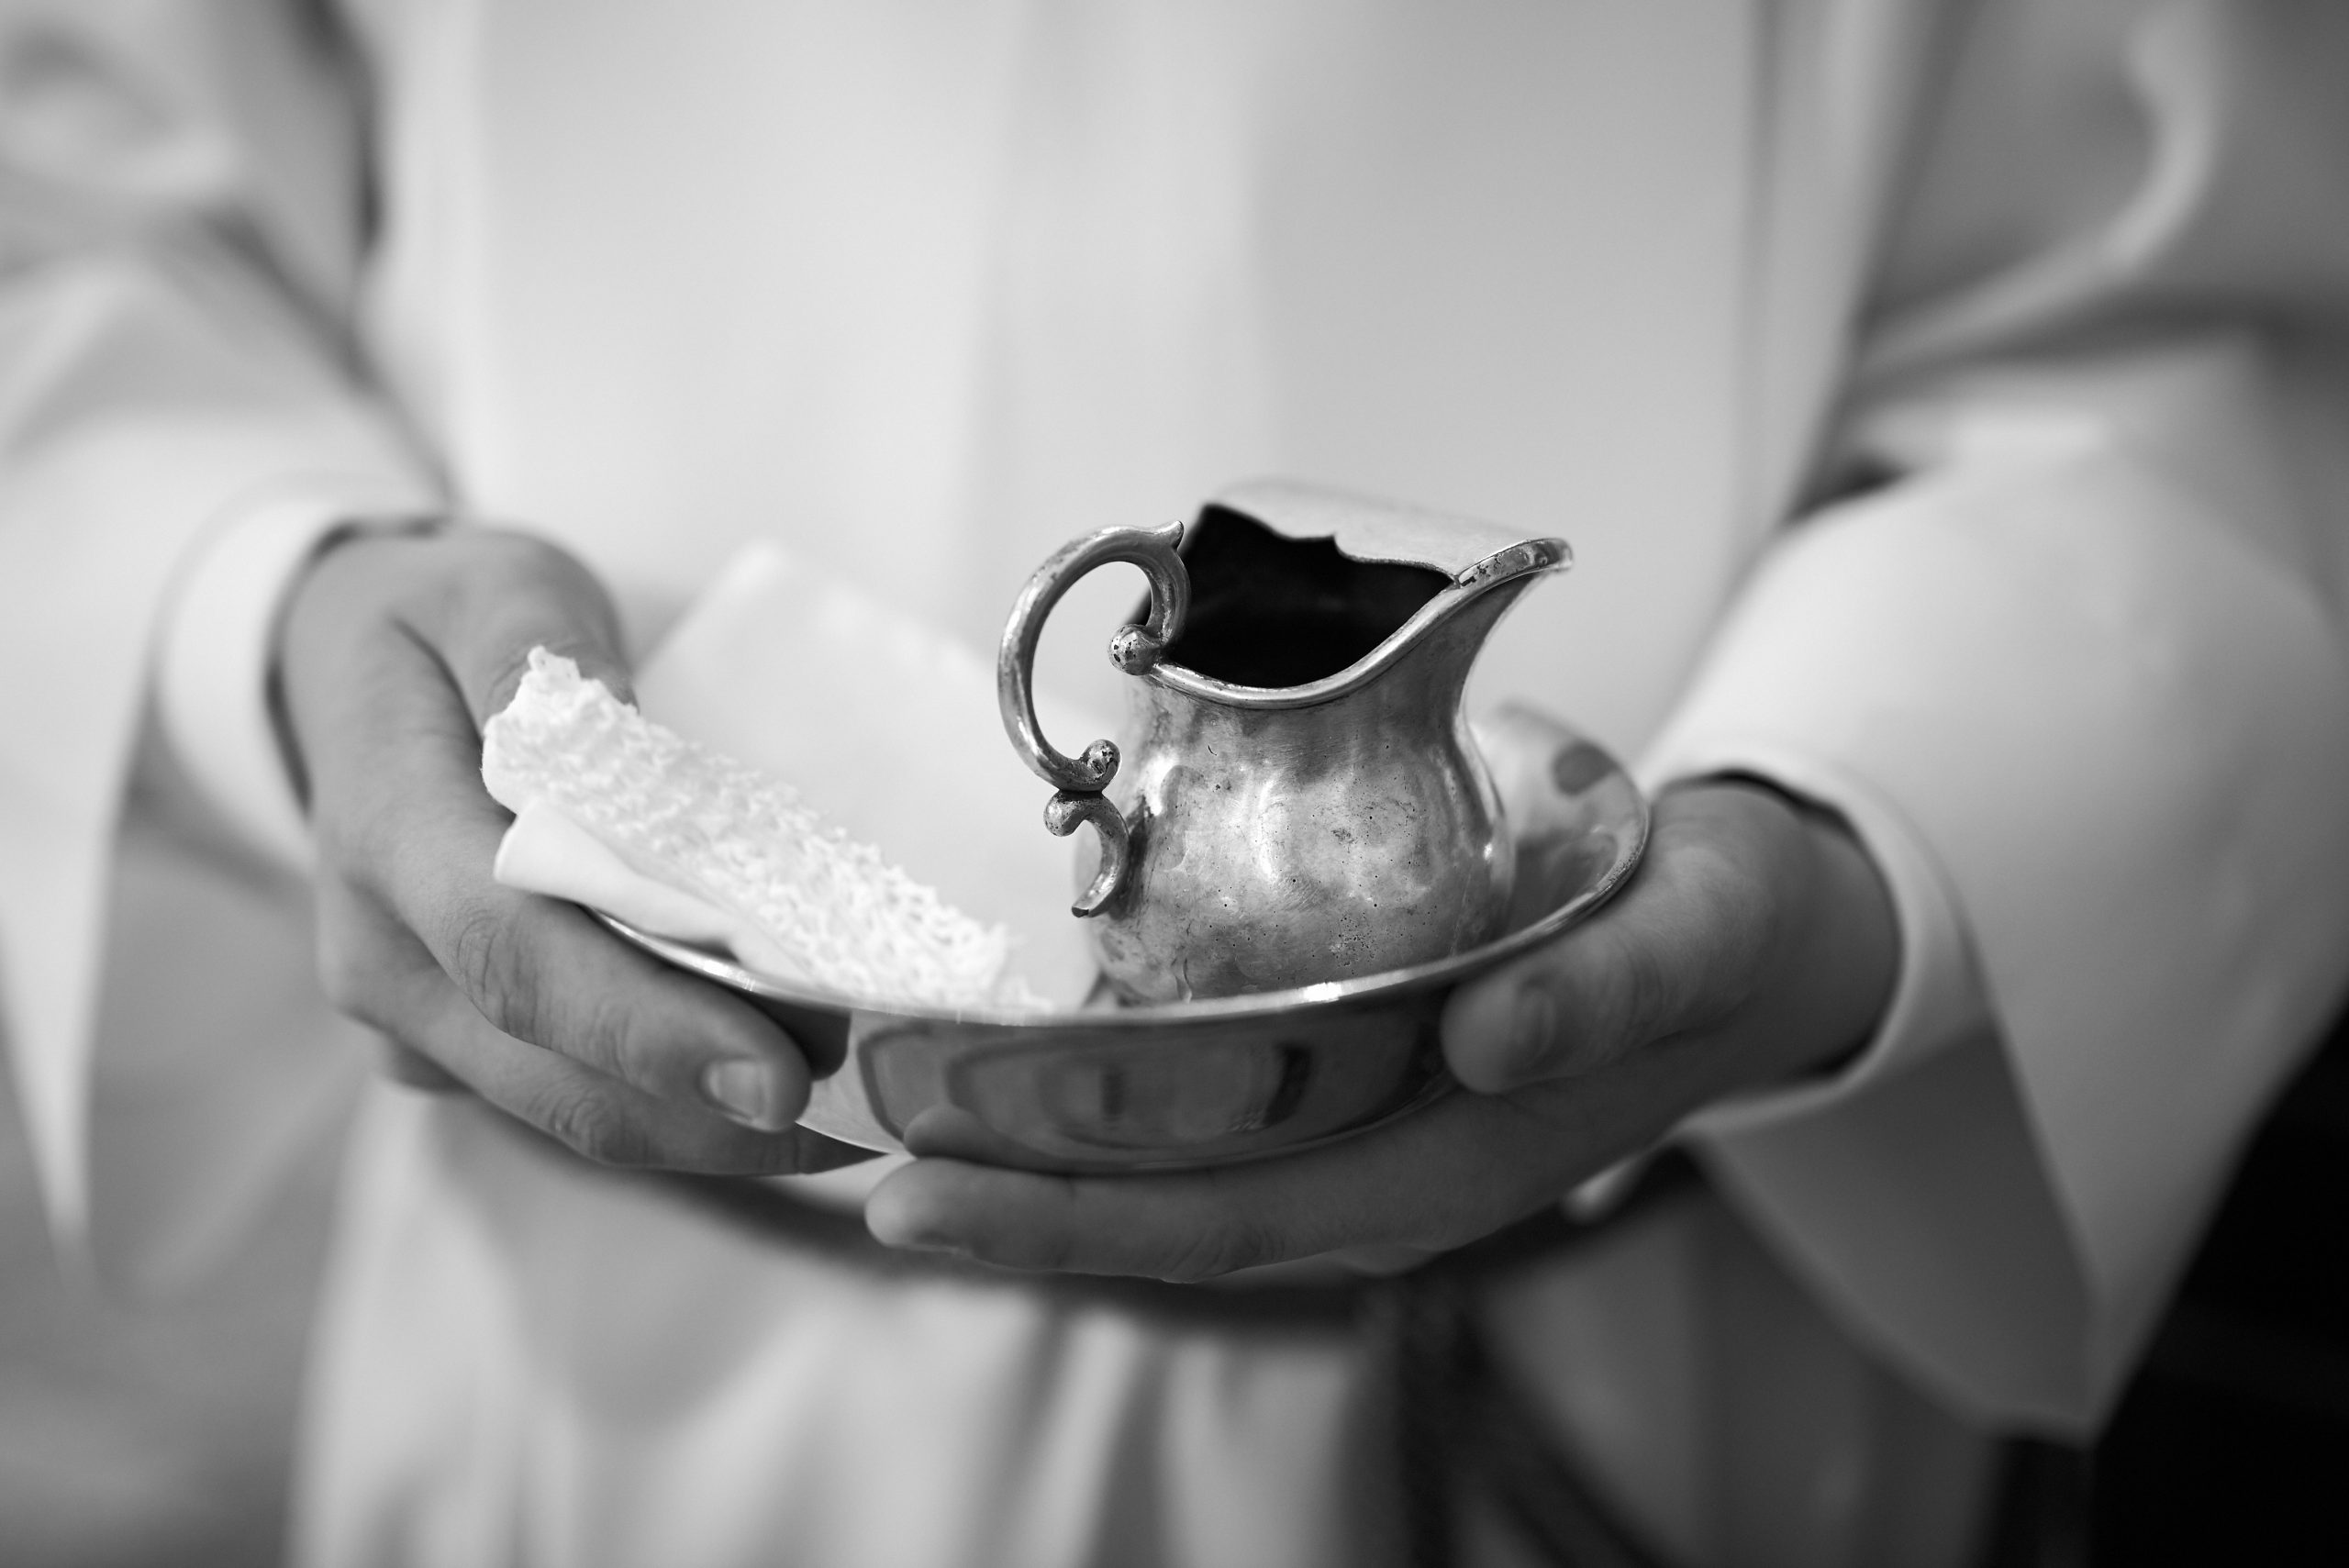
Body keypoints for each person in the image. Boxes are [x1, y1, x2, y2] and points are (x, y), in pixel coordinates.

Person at [4, 0, 2347, 1563]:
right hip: (625, 1373)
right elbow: (63, 178)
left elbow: (2182, 319)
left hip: (1640, 1347)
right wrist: (275, 610)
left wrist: (1860, 829)